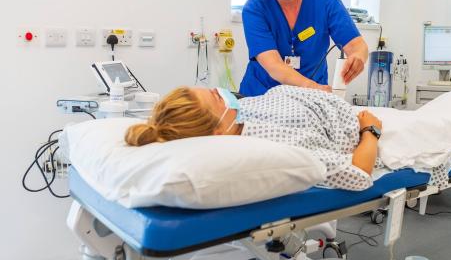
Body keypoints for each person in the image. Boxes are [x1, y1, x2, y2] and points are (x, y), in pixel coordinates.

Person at [125, 85, 383, 190]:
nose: (220, 91)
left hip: (337, 108)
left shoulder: (239, 116)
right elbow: (359, 174)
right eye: (216, 97)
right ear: (217, 131)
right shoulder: (274, 149)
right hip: (362, 122)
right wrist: (370, 131)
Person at [239, 0, 369, 96]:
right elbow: (273, 65)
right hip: (262, 96)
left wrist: (358, 57)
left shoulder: (325, 1)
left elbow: (356, 44)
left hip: (313, 99)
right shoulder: (256, 8)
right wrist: (312, 88)